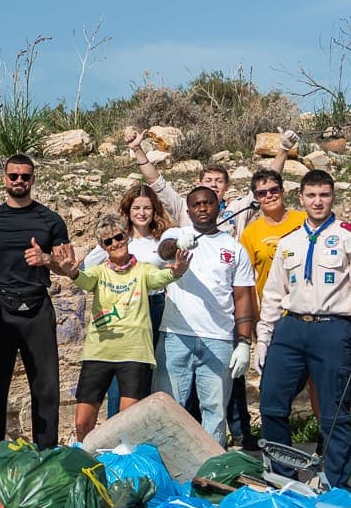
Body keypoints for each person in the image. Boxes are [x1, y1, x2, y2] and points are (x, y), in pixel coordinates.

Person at [254, 170, 351, 492]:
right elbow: (273, 292)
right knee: (271, 403)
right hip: (291, 327)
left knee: (334, 411)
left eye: (324, 195)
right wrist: (264, 335)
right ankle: (284, 477)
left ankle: (336, 483)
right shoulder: (289, 241)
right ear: (301, 199)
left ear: (332, 196)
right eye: (311, 195)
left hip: (332, 329)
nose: (318, 201)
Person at [0, 154, 71, 448]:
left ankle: (46, 452)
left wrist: (46, 259)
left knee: (46, 386)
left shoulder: (50, 220)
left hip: (37, 306)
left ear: (33, 179)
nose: (19, 181)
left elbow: (69, 267)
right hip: (0, 307)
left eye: (25, 176)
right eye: (13, 176)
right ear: (4, 179)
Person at [63, 214, 190, 439]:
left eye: (118, 237)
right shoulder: (99, 272)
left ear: (127, 237)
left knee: (126, 423)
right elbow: (83, 279)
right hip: (99, 353)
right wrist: (72, 271)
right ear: (103, 247)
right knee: (83, 422)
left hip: (134, 354)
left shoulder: (143, 270)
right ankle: (83, 463)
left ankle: (121, 467)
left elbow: (160, 278)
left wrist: (176, 271)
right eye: (108, 241)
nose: (115, 243)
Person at [151, 186, 257, 444]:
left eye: (208, 203)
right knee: (167, 407)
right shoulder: (177, 234)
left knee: (215, 412)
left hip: (219, 339)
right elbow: (164, 251)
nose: (202, 208)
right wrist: (178, 244)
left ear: (218, 207)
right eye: (196, 204)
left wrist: (244, 342)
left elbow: (242, 297)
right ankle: (167, 467)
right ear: (188, 210)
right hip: (176, 335)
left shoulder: (234, 248)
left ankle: (210, 473)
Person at [79, 183, 173, 417]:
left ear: (155, 210)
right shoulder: (119, 237)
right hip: (122, 310)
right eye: (136, 207)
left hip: (155, 306)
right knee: (118, 368)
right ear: (128, 210)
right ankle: (115, 424)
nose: (142, 213)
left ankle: (140, 427)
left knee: (145, 371)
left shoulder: (161, 240)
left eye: (147, 208)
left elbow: (169, 272)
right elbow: (90, 265)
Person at [235, 168, 305, 448]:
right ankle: (277, 442)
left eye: (273, 190)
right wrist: (254, 321)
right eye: (262, 193)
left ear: (283, 191)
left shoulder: (303, 220)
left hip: (309, 310)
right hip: (275, 316)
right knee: (273, 384)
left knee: (315, 382)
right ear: (255, 198)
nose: (269, 196)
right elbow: (247, 281)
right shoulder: (251, 234)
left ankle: (325, 439)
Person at [126, 131, 253, 228]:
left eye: (219, 181)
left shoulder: (237, 209)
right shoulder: (183, 208)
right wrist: (137, 149)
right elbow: (156, 182)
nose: (213, 185)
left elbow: (267, 186)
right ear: (199, 184)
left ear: (227, 186)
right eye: (208, 181)